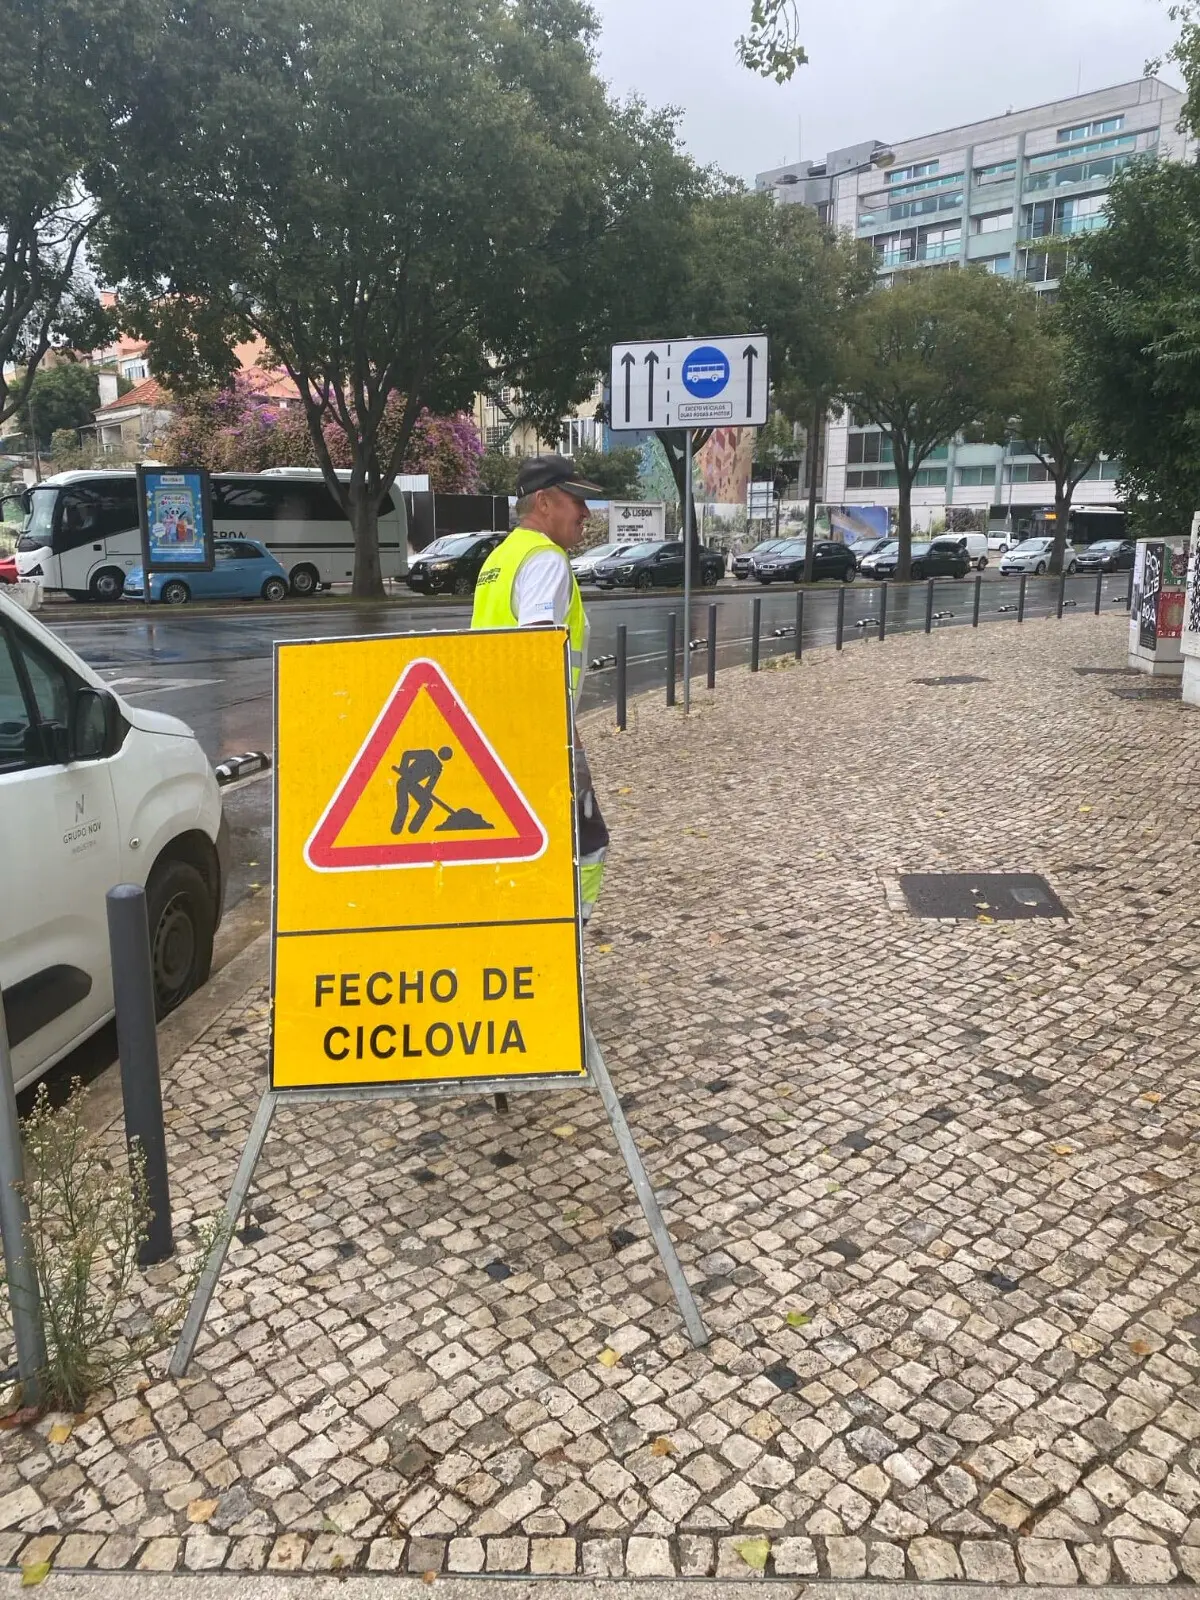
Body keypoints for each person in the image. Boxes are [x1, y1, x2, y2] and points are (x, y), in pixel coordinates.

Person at [472, 454, 609, 923]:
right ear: (544, 502)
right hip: (537, 732)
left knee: (516, 846)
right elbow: (535, 649)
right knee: (585, 845)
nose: (586, 514)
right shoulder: (546, 560)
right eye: (577, 501)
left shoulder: (499, 559)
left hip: (492, 730)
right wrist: (560, 732)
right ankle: (565, 948)